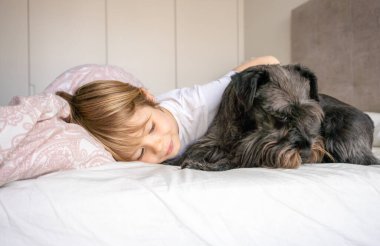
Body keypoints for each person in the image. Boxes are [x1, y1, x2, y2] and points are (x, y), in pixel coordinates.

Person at [57, 56, 280, 164]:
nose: (158, 146)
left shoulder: (197, 103)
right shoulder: (123, 145)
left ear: (148, 97)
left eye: (151, 128)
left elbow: (269, 60)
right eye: (141, 153)